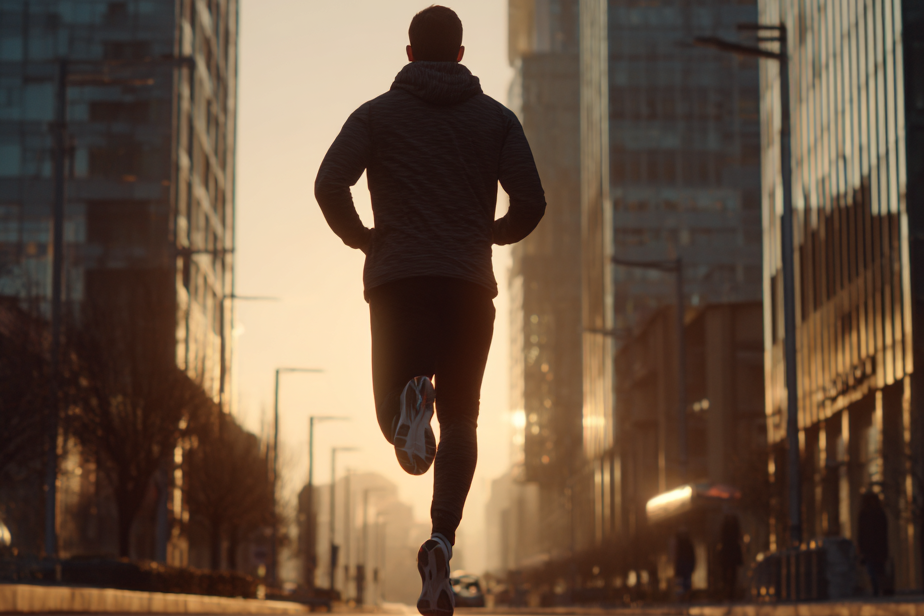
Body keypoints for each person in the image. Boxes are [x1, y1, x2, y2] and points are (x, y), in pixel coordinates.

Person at [314, 6, 546, 616]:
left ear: (410, 53)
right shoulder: (497, 120)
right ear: (463, 55)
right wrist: (487, 235)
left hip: (397, 282)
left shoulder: (375, 115)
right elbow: (532, 202)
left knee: (392, 408)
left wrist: (362, 236)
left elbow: (328, 183)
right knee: (464, 419)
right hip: (468, 286)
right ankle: (442, 539)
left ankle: (408, 408)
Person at [857, 491, 889, 596]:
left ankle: (877, 589)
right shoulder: (879, 513)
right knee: (879, 570)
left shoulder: (864, 513)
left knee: (873, 570)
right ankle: (881, 589)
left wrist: (861, 548)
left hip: (869, 548)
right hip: (877, 548)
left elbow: (861, 534)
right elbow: (884, 533)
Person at [717, 513, 743, 601]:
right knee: (728, 575)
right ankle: (728, 593)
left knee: (730, 576)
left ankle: (729, 593)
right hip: (729, 555)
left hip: (730, 555)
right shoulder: (730, 531)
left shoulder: (730, 531)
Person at [674, 530, 695, 601]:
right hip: (683, 567)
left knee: (684, 583)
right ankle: (683, 597)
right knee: (683, 583)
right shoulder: (685, 544)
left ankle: (684, 597)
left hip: (684, 567)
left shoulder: (682, 545)